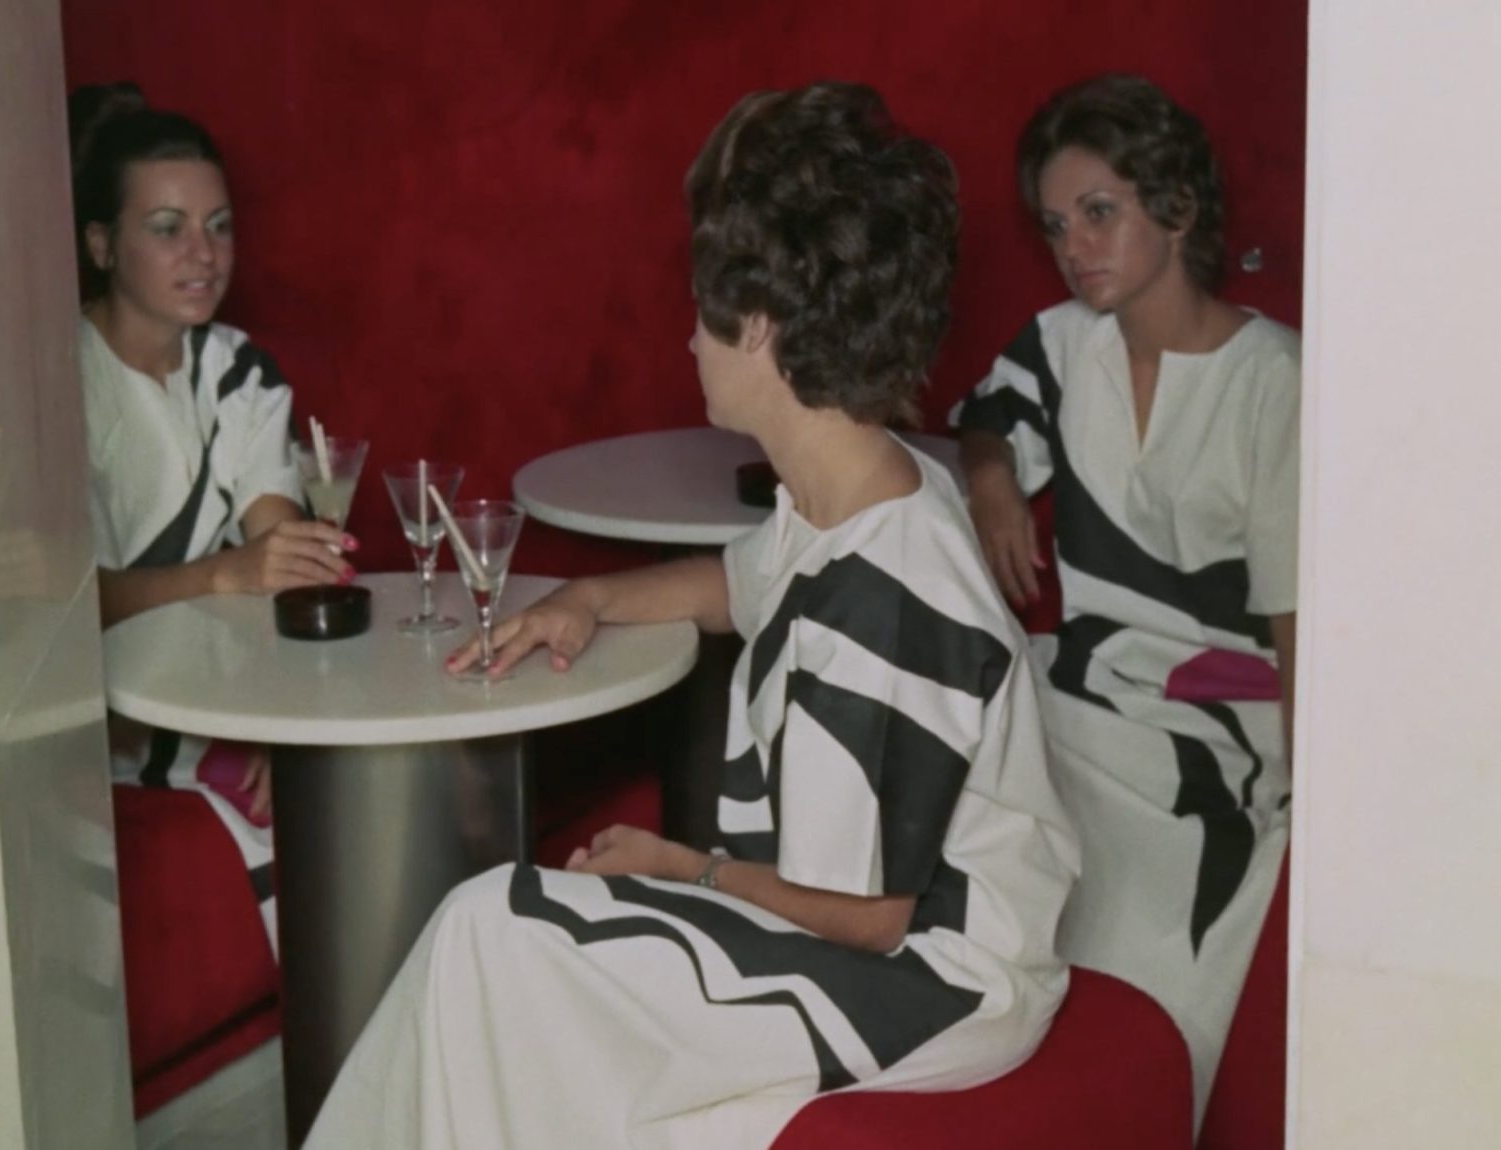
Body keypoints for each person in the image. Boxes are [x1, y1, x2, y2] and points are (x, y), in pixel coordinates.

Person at [305, 82, 1079, 1150]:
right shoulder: (856, 483)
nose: (687, 341)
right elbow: (738, 583)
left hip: (933, 981)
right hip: (875, 935)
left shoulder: (891, 592)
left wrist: (681, 867)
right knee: (493, 947)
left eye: (702, 312)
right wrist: (589, 598)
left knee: (492, 933)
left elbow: (870, 918)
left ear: (760, 326)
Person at [953, 73, 1300, 1116]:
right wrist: (991, 479)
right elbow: (987, 417)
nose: (1075, 246)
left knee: (1129, 915)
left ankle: (1118, 1105)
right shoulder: (1064, 344)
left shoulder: (1274, 381)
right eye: (1057, 224)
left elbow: (1297, 624)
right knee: (967, 750)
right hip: (1080, 687)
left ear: (1178, 206)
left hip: (1221, 722)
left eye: (1099, 212)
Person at [71, 83, 353, 949]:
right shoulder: (54, 380)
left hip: (224, 699)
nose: (204, 254)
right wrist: (223, 575)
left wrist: (272, 717)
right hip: (102, 726)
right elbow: (63, 609)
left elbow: (281, 557)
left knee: (375, 796)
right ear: (101, 245)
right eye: (168, 228)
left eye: (220, 225)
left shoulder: (241, 373)